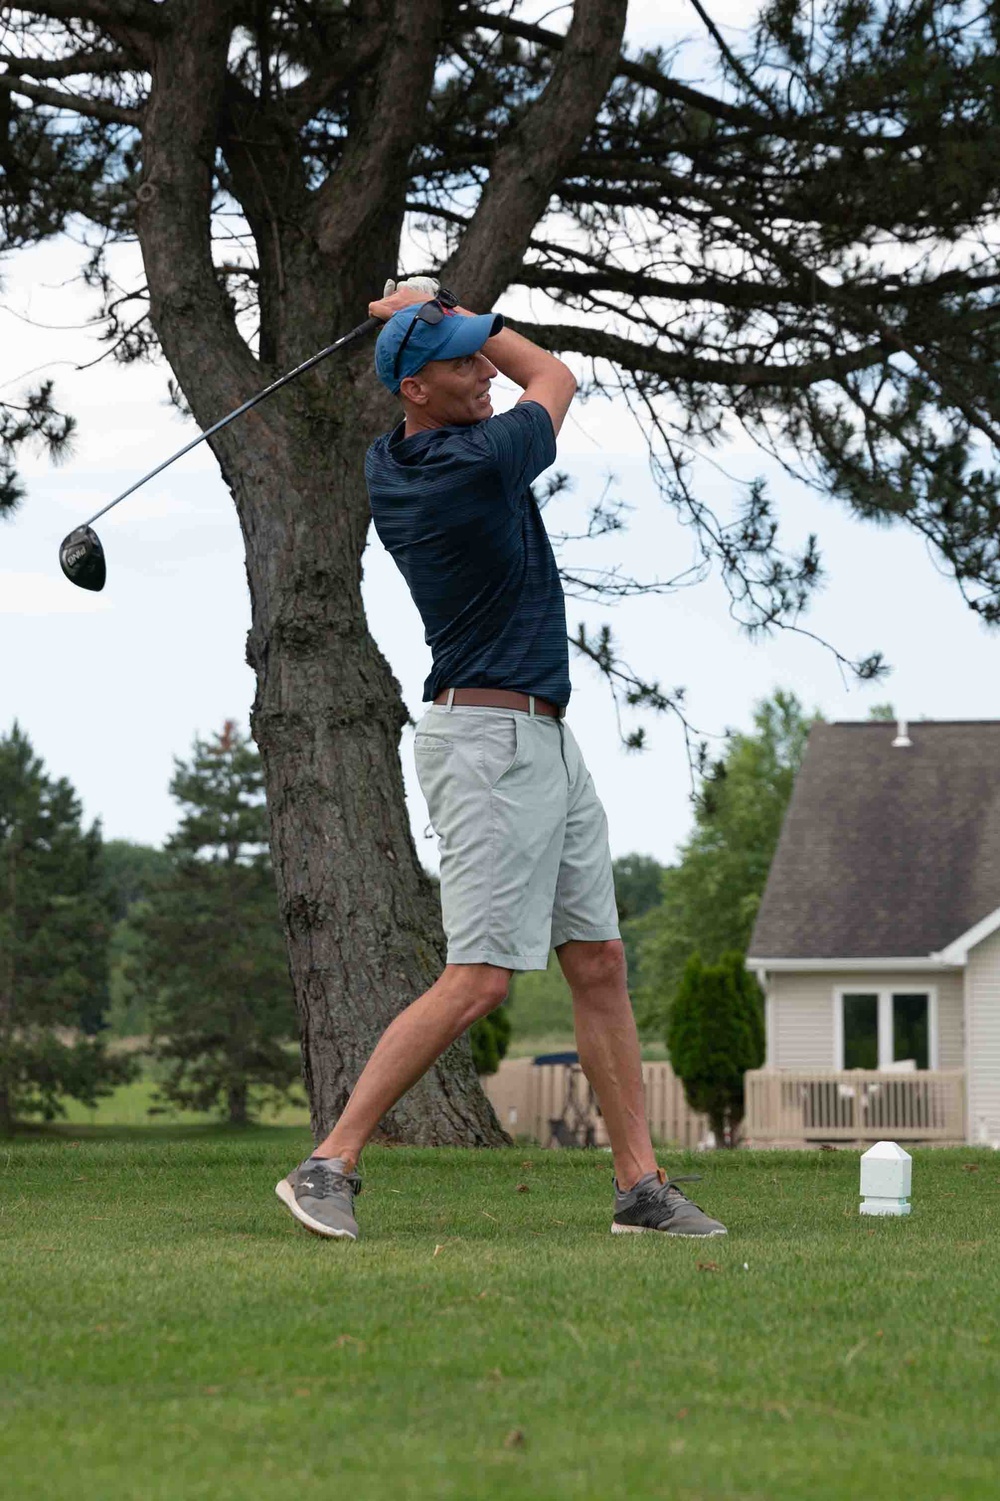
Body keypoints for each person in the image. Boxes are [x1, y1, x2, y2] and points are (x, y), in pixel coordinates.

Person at [275, 277, 727, 1242]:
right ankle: (328, 1162)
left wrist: (430, 321)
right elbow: (552, 373)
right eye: (458, 363)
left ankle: (639, 1187)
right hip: (486, 743)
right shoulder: (471, 464)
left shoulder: (392, 456)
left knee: (598, 961)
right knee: (480, 978)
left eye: (479, 355)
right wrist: (444, 307)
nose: (483, 371)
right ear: (414, 393)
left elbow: (494, 371)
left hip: (540, 737)